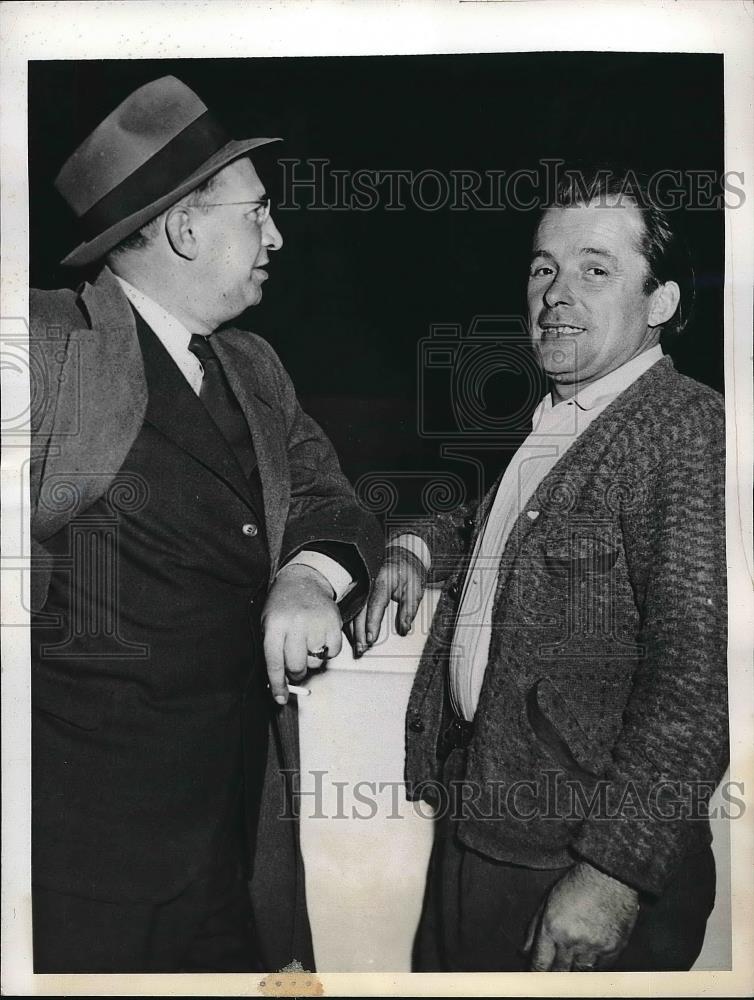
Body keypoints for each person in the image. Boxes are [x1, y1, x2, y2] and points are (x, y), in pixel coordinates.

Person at [29, 75, 382, 973]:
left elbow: (332, 498)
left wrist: (309, 577)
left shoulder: (253, 365)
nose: (277, 235)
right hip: (74, 869)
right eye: (256, 212)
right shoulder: (41, 346)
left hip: (231, 850)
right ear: (186, 229)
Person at [357, 166, 728, 972]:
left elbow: (699, 686)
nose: (557, 291)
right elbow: (495, 527)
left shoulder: (686, 431)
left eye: (597, 269)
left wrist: (613, 876)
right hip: (484, 836)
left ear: (661, 303)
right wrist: (414, 547)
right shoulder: (567, 418)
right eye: (543, 267)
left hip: (571, 866)